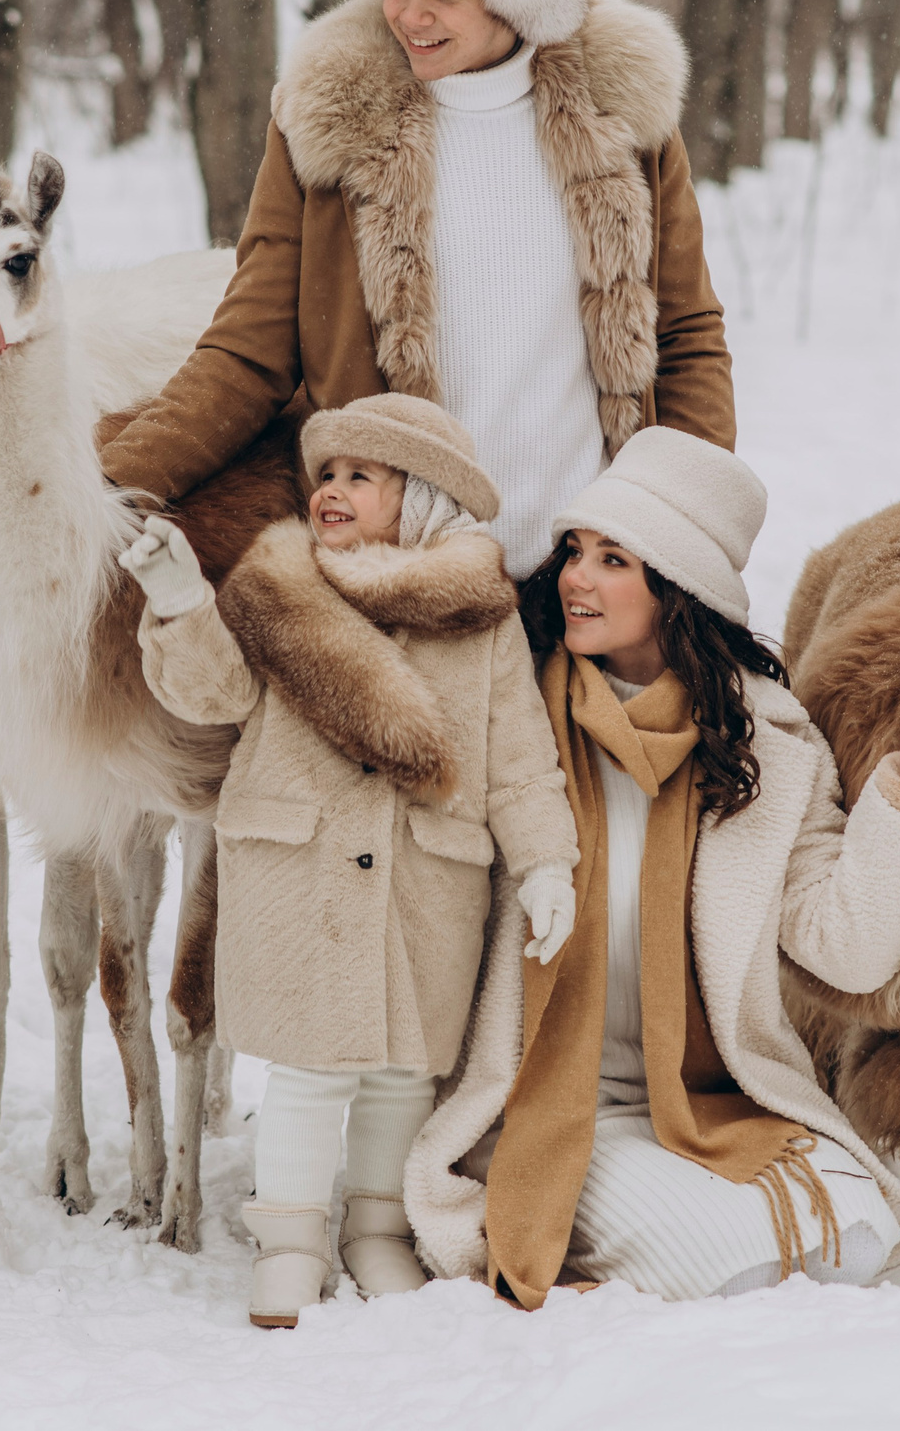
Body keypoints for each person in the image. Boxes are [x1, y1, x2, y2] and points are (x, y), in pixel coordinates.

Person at [400, 428, 900, 1304]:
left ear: (676, 588)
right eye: (573, 552)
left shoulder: (769, 750)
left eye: (613, 560)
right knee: (733, 1261)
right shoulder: (511, 717)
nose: (576, 580)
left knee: (856, 1242)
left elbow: (844, 950)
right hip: (555, 1106)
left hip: (721, 1098)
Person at [98, 0, 735, 574]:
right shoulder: (325, 121)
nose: (411, 16)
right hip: (405, 579)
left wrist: (684, 533)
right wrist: (108, 490)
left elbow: (685, 338)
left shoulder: (623, 113)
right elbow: (248, 352)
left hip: (588, 582)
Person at [115, 394, 581, 1327]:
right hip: (300, 872)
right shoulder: (282, 590)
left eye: (360, 476)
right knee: (307, 1069)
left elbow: (521, 760)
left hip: (424, 881)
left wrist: (545, 863)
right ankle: (288, 1238)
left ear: (423, 498)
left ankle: (376, 1229)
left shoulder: (478, 622)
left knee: (401, 1073)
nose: (331, 491)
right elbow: (214, 693)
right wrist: (178, 605)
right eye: (324, 474)